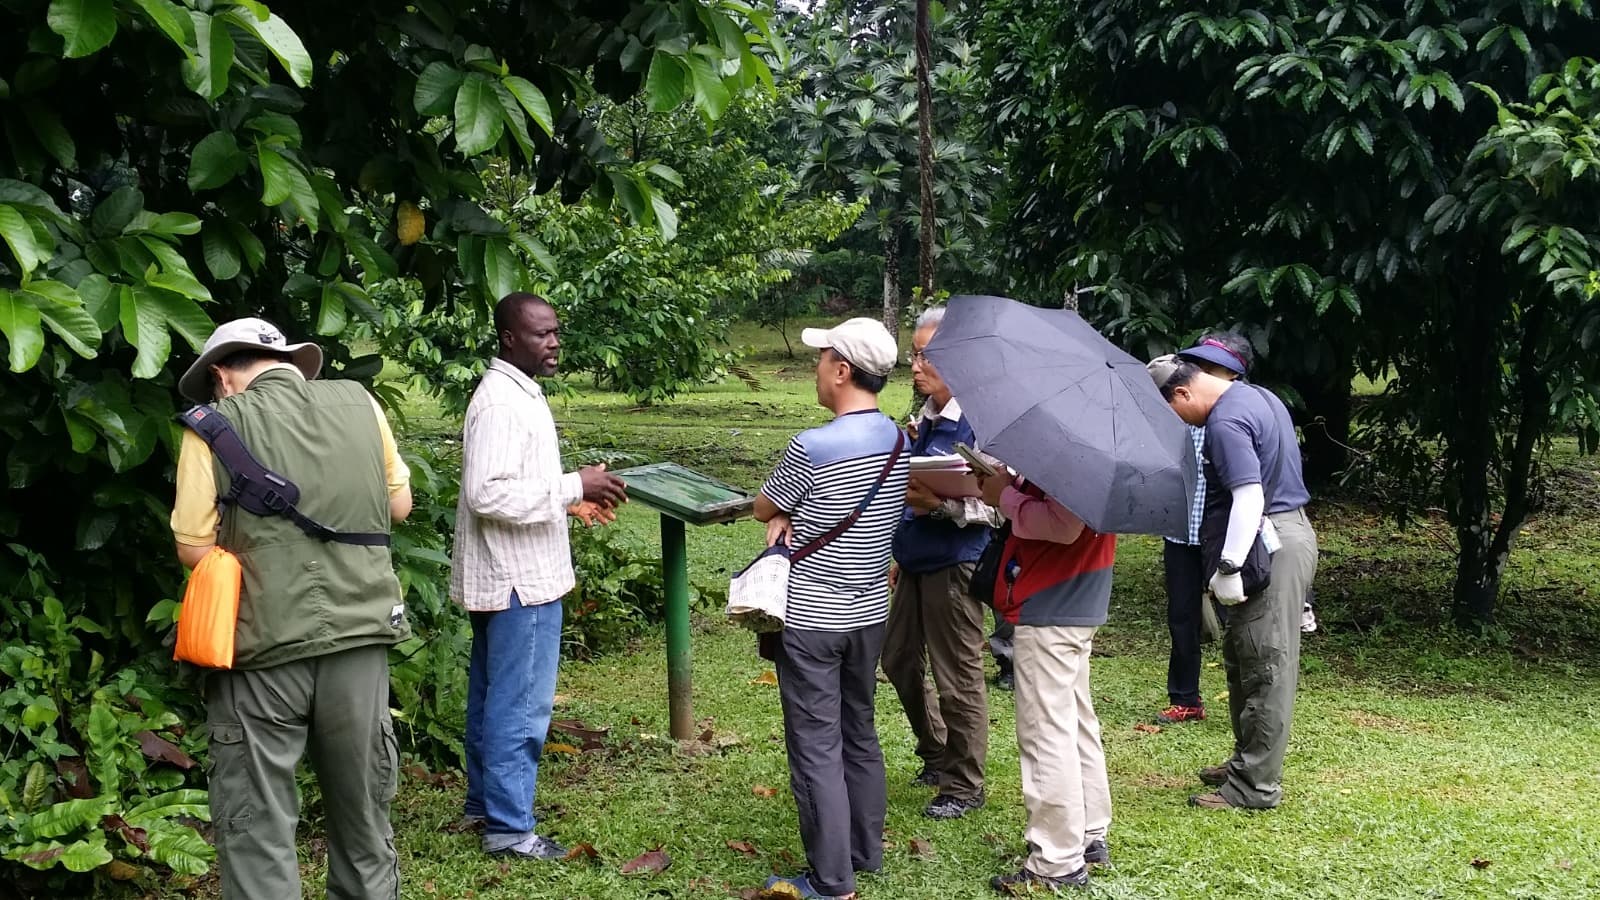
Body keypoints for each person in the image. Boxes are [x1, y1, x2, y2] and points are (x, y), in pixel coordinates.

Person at [170, 317, 414, 899]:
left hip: (261, 646)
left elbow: (193, 546)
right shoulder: (362, 403)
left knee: (257, 824)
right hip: (360, 640)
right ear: (289, 364)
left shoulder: (211, 426)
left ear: (223, 376)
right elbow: (399, 505)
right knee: (363, 820)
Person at [450, 293, 628, 859]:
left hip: (510, 573)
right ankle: (509, 828)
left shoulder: (515, 393)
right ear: (508, 338)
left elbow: (513, 484)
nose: (553, 343)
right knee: (520, 704)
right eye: (540, 334)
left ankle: (486, 804)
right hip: (518, 580)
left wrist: (567, 503)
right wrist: (575, 485)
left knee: (493, 697)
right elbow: (487, 493)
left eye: (555, 332)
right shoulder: (502, 402)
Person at [755, 317, 910, 900]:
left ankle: (831, 880)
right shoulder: (897, 438)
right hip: (871, 609)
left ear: (842, 371)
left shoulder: (812, 446)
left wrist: (784, 516)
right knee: (860, 730)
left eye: (821, 359)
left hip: (812, 617)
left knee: (816, 743)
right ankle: (864, 852)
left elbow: (765, 507)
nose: (815, 368)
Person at [1147, 335, 1319, 810]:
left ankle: (1254, 786)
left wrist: (1227, 565)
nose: (1179, 425)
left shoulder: (1224, 422)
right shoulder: (1257, 395)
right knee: (1244, 652)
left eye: (1172, 415)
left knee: (1266, 663)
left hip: (1269, 540)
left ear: (1182, 394)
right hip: (1275, 535)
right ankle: (1247, 759)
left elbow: (1250, 498)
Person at [883, 306, 1004, 819]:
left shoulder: (982, 423)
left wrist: (944, 505)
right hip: (911, 557)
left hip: (954, 562)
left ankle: (963, 783)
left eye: (926, 355)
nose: (915, 364)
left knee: (958, 677)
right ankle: (936, 751)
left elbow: (1000, 505)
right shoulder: (928, 419)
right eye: (913, 354)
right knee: (898, 661)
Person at [978, 467, 1116, 894]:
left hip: (1052, 601)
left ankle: (1056, 859)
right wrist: (1016, 486)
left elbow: (1063, 525)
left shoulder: (1076, 453)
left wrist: (1005, 497)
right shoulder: (1100, 448)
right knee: (1074, 720)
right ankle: (1090, 832)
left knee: (1045, 733)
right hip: (1078, 598)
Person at [1157, 423, 1210, 724]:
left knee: (1240, 620)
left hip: (1220, 534)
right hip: (1180, 533)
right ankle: (1185, 698)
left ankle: (1248, 701)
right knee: (1181, 617)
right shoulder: (1176, 424)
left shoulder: (1229, 417)